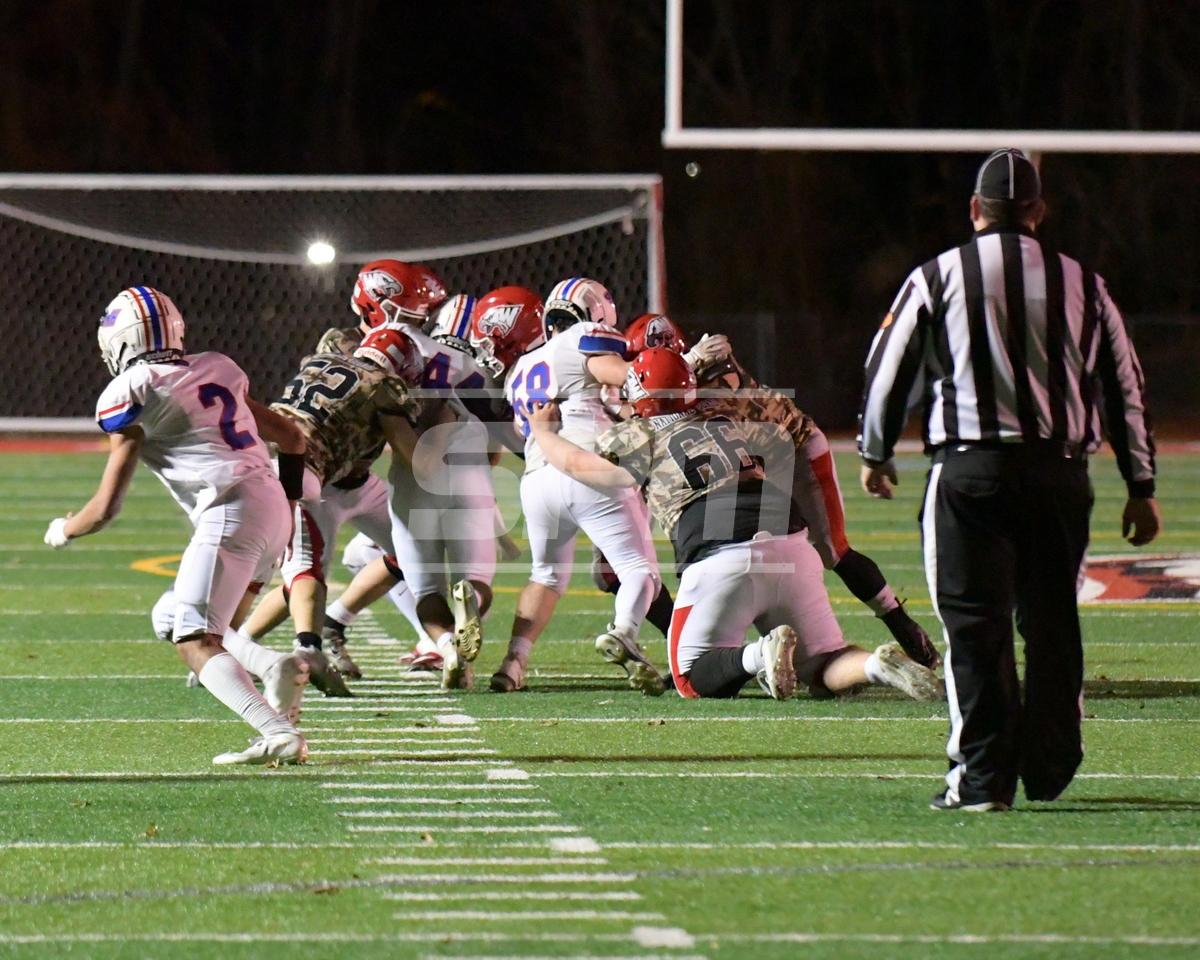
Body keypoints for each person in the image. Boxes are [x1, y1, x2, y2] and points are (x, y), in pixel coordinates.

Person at [858, 148, 1161, 812]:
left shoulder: (938, 275)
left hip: (971, 472)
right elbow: (1125, 385)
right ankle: (1050, 762)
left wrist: (875, 451)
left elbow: (888, 368)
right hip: (1058, 472)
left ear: (975, 209)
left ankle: (982, 778)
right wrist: (1140, 484)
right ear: (1038, 212)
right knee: (1051, 620)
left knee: (975, 626)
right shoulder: (1083, 283)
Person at [530, 348, 940, 702]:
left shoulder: (634, 434)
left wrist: (544, 433)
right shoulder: (726, 412)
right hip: (791, 542)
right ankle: (874, 665)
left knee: (689, 676)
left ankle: (758, 654)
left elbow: (580, 466)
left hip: (720, 555)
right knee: (823, 663)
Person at [44, 286, 309, 765]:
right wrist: (288, 509)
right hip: (271, 504)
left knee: (195, 640)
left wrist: (64, 530)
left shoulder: (134, 389)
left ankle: (278, 732)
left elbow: (105, 508)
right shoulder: (217, 367)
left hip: (229, 510)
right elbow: (292, 437)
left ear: (122, 342)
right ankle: (272, 664)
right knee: (173, 618)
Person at [492, 277, 664, 695]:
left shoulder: (518, 371)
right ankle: (624, 632)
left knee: (546, 576)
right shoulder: (584, 336)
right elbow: (629, 377)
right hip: (589, 464)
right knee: (639, 570)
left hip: (537, 477)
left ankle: (514, 662)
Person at [237, 322, 427, 688]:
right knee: (303, 571)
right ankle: (297, 648)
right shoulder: (385, 386)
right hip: (302, 471)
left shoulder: (322, 358)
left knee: (412, 547)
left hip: (312, 468)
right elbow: (417, 459)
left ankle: (327, 623)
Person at [350, 260, 497, 690]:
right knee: (476, 580)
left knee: (426, 589)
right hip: (467, 471)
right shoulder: (461, 361)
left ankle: (447, 648)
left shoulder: (377, 351)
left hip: (412, 476)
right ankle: (470, 601)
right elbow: (497, 434)